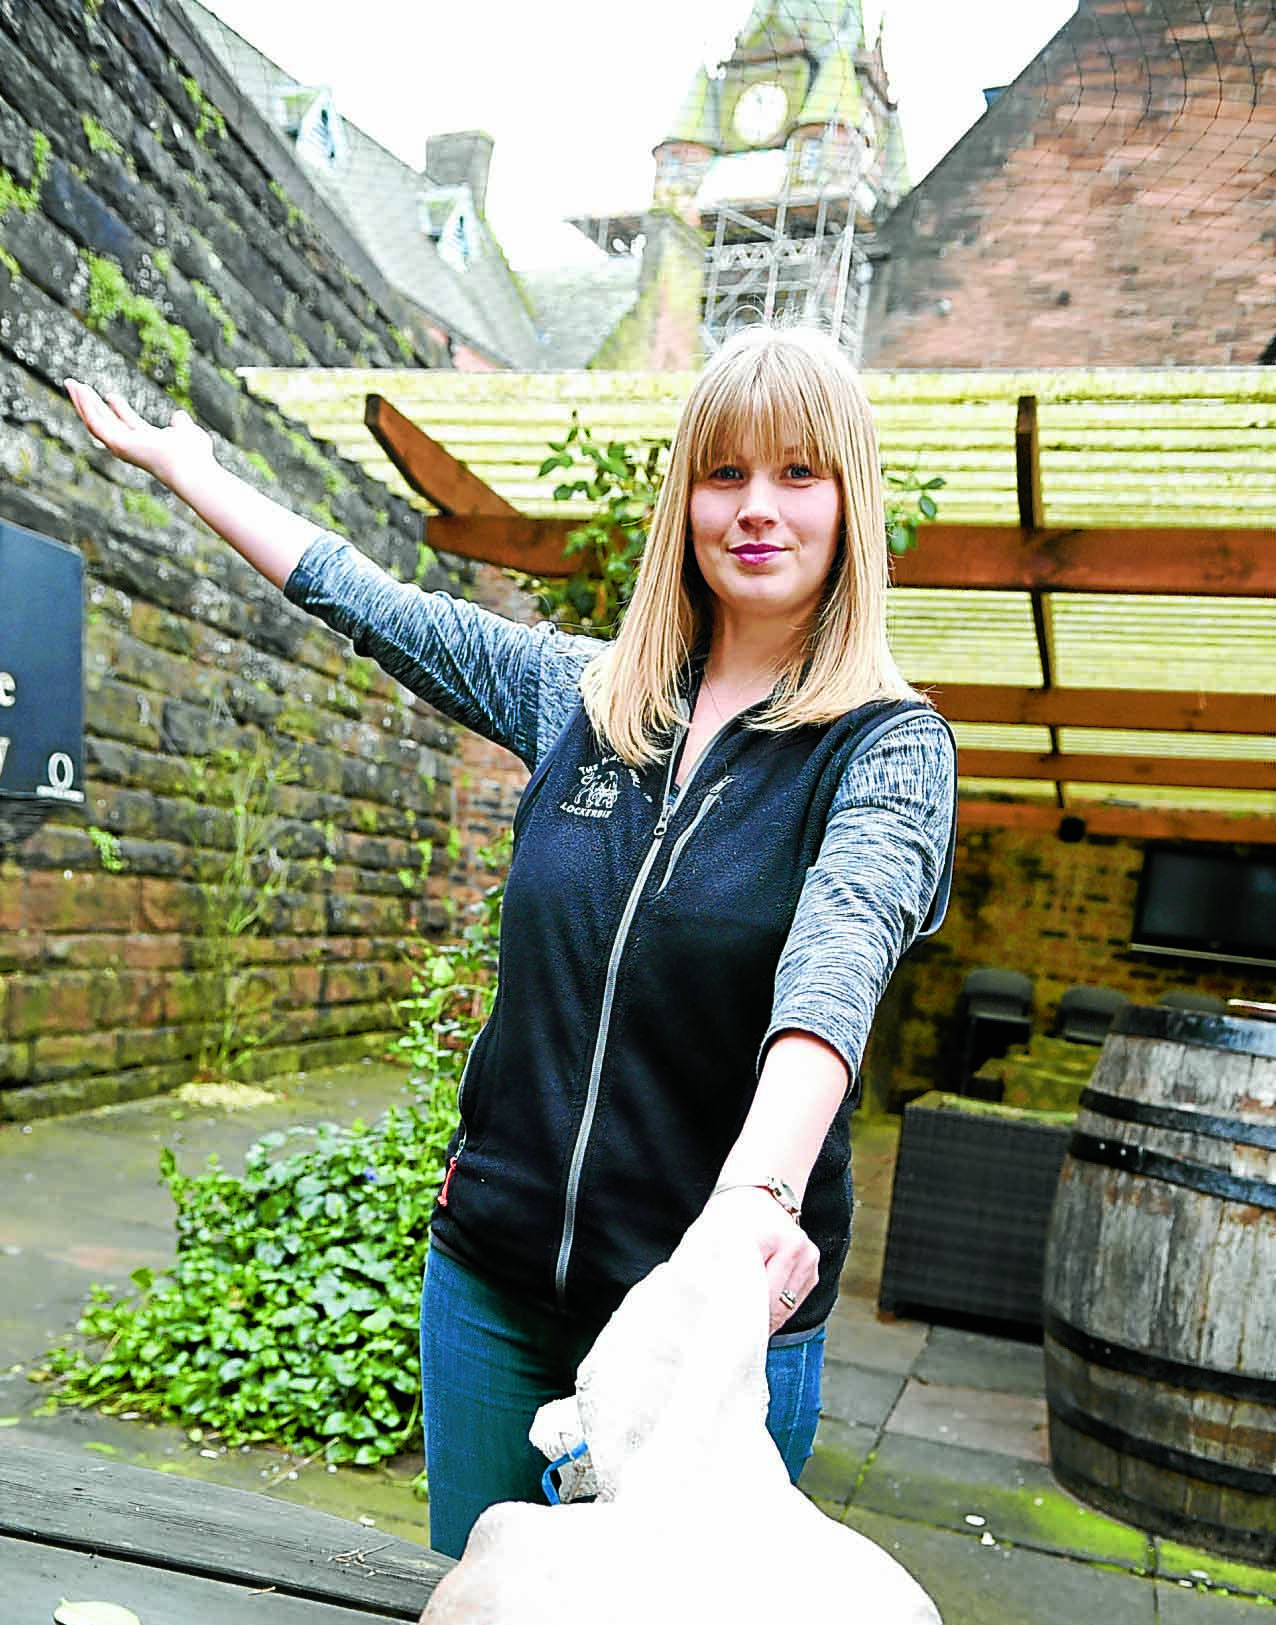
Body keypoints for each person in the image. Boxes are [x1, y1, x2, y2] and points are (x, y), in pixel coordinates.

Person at [66, 325, 957, 1559]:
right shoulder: (588, 700)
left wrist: (752, 1199)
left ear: (849, 500)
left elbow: (837, 956)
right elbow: (380, 607)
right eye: (725, 472)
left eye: (799, 474)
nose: (758, 508)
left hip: (703, 1321)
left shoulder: (886, 748)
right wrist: (191, 469)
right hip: (489, 1286)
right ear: (683, 501)